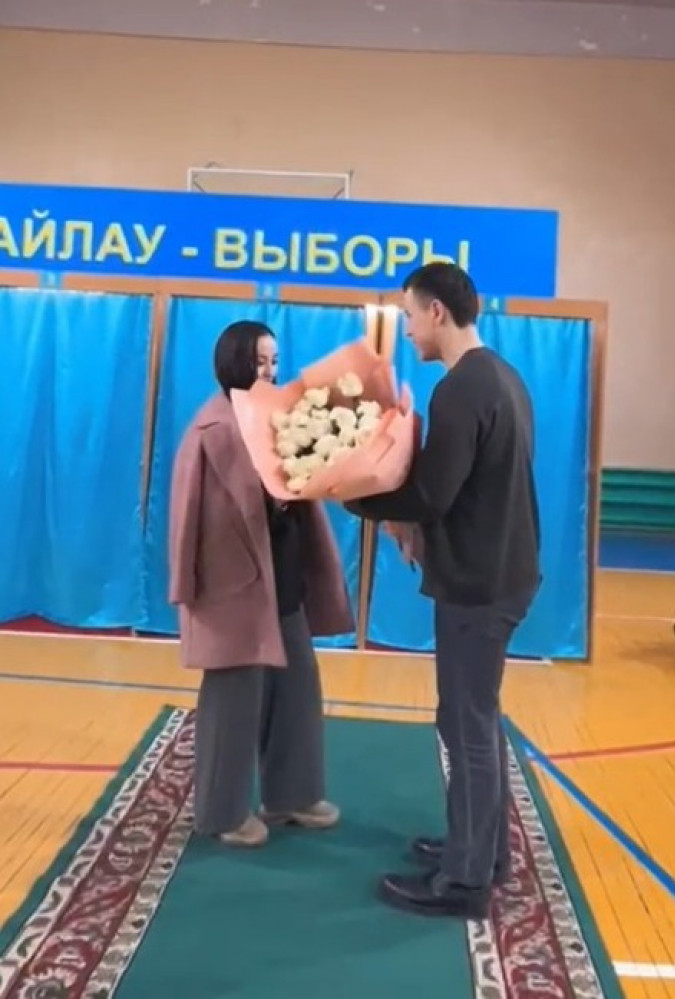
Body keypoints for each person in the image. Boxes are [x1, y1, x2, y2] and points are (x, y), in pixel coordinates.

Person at [346, 262, 541, 919]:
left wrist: (351, 493)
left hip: (479, 584)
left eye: (408, 315)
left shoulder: (460, 389)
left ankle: (465, 881)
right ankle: (482, 849)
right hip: (504, 572)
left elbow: (433, 494)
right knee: (471, 718)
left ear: (435, 312)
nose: (405, 330)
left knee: (467, 724)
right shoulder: (503, 377)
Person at [168, 320, 354, 848]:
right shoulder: (211, 429)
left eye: (273, 360)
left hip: (282, 576)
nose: (269, 370)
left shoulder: (276, 417)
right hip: (232, 584)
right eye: (259, 361)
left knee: (297, 683)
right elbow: (186, 516)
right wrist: (186, 587)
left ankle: (292, 795)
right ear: (233, 362)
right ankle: (222, 813)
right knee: (234, 696)